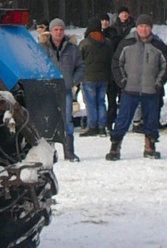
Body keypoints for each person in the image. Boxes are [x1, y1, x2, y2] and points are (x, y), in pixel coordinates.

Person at [106, 14, 167, 160]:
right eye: (141, 26)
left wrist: (158, 82)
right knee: (123, 120)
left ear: (151, 28)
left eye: (146, 26)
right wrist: (122, 81)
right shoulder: (127, 43)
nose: (144, 29)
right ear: (137, 27)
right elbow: (116, 63)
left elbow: (166, 66)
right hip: (130, 89)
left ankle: (150, 146)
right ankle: (115, 147)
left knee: (151, 120)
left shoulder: (158, 45)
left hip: (151, 90)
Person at [41, 18, 85, 162]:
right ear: (51, 31)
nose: (58, 32)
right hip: (48, 91)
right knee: (48, 122)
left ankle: (69, 152)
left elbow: (81, 67)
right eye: (55, 29)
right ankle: (49, 153)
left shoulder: (72, 49)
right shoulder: (42, 48)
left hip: (65, 90)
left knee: (67, 121)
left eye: (61, 29)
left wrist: (73, 81)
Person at [78, 17, 115, 136]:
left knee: (91, 103)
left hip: (88, 77)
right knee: (101, 101)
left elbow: (79, 60)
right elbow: (111, 59)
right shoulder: (108, 42)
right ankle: (102, 126)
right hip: (104, 77)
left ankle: (92, 126)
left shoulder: (85, 43)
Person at [107, 7, 134, 125]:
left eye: (125, 13)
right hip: (115, 61)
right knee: (113, 96)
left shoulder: (133, 26)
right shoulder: (113, 28)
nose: (124, 15)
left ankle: (125, 119)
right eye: (122, 13)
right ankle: (112, 119)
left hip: (128, 61)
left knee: (125, 95)